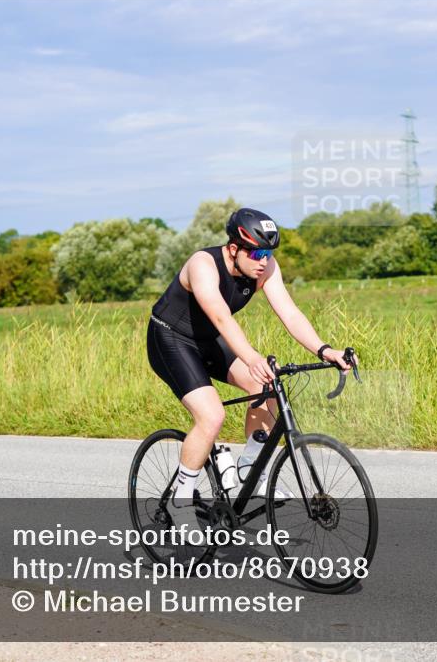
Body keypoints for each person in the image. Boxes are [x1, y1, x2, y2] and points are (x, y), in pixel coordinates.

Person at [146, 207, 355, 531]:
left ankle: (247, 472)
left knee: (266, 387)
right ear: (233, 249)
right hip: (171, 337)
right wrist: (252, 358)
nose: (263, 260)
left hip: (208, 339)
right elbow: (220, 317)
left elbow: (290, 313)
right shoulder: (203, 265)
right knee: (212, 415)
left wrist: (324, 349)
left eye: (269, 252)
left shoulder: (266, 269)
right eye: (256, 252)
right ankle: (181, 499)